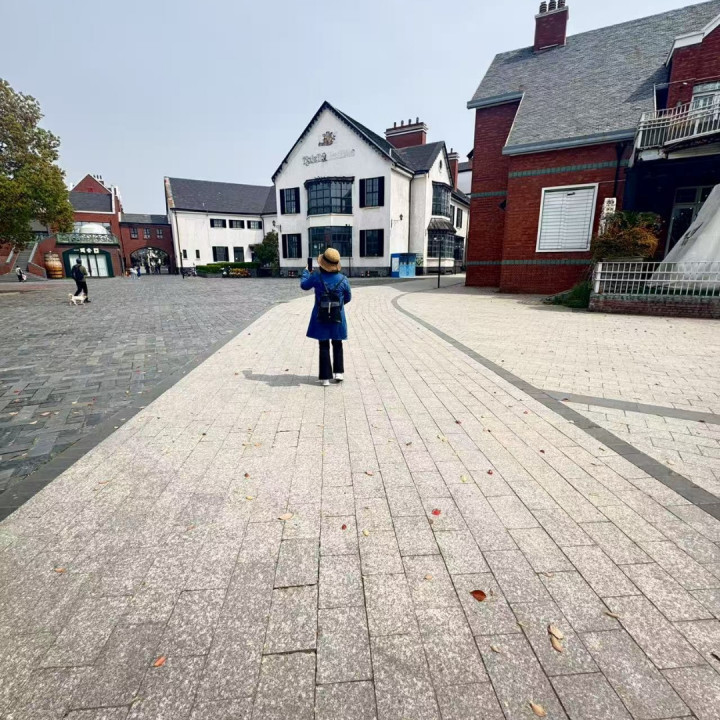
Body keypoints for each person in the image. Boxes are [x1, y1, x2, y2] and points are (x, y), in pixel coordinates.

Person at [300, 247, 351, 386]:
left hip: (320, 317)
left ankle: (325, 378)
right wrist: (336, 306)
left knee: (323, 345)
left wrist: (306, 272)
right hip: (337, 317)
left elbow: (304, 286)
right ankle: (339, 373)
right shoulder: (343, 279)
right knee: (337, 343)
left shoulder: (316, 277)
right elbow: (348, 298)